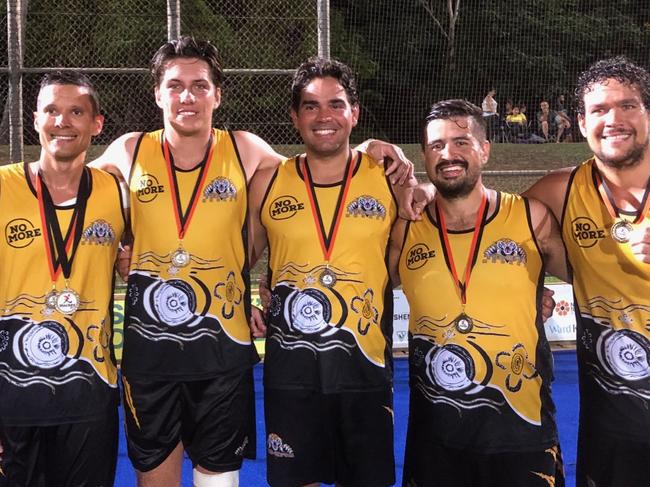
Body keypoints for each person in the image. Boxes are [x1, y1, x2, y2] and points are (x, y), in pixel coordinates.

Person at [95, 36, 412, 487]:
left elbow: (321, 170)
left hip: (223, 354)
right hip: (151, 358)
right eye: (176, 85)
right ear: (157, 93)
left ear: (218, 94)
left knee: (219, 477)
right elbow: (78, 210)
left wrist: (375, 150)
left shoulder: (247, 151)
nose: (188, 96)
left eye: (200, 85)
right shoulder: (127, 152)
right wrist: (120, 254)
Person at [391, 99, 567, 487]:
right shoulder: (406, 226)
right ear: (424, 155)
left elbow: (592, 274)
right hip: (436, 435)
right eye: (436, 146)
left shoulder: (530, 217)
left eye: (461, 142)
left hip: (522, 429)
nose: (448, 154)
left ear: (485, 150)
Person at [248, 57, 400, 487]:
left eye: (335, 104)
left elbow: (410, 263)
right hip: (291, 371)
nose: (324, 117)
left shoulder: (389, 177)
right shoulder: (269, 180)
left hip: (364, 366)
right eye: (310, 106)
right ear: (295, 117)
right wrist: (245, 294)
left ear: (354, 112)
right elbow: (236, 256)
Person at [525, 56, 650, 487]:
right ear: (580, 122)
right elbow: (482, 224)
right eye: (599, 109)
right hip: (613, 421)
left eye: (628, 105)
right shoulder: (560, 191)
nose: (614, 119)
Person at [0, 72, 125, 486]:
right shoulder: (2, 187)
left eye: (76, 112)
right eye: (52, 110)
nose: (62, 122)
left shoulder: (116, 193)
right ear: (35, 119)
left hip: (89, 392)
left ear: (97, 124)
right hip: (13, 393)